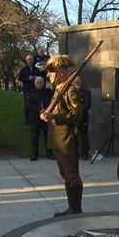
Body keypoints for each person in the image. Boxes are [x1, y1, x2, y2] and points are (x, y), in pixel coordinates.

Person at [40, 54, 83, 217]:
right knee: (65, 175)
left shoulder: (70, 90)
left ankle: (77, 209)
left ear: (61, 71)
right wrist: (46, 114)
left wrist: (55, 117)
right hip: (58, 139)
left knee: (72, 175)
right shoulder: (58, 89)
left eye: (51, 71)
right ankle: (71, 207)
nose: (48, 74)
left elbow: (77, 115)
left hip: (67, 139)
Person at [26, 76, 54, 161]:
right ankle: (34, 154)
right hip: (35, 117)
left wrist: (47, 110)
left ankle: (49, 153)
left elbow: (52, 101)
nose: (39, 84)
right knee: (34, 136)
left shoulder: (48, 92)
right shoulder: (31, 92)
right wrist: (39, 110)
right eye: (38, 83)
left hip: (46, 117)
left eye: (41, 82)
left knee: (47, 136)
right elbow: (29, 105)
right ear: (35, 83)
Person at [73, 76, 92, 160]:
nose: (76, 83)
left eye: (78, 82)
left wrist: (79, 111)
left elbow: (87, 105)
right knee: (73, 137)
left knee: (84, 136)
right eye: (75, 82)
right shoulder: (71, 92)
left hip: (83, 118)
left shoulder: (86, 92)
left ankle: (85, 153)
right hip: (73, 119)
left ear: (81, 82)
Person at [18, 55, 40, 123]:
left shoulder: (36, 69)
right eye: (28, 60)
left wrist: (36, 77)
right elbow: (20, 78)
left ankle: (36, 118)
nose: (30, 61)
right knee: (27, 104)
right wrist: (28, 78)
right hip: (27, 89)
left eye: (31, 60)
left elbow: (39, 76)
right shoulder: (23, 69)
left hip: (35, 88)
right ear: (26, 61)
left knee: (36, 103)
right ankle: (27, 119)